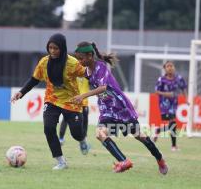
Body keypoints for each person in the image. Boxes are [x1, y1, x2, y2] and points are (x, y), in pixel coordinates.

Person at [72, 42, 168, 174]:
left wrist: (82, 96)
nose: (79, 61)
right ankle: (124, 161)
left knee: (139, 135)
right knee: (100, 134)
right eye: (78, 59)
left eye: (81, 58)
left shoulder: (101, 67)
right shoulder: (87, 70)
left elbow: (103, 88)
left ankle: (160, 159)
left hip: (119, 106)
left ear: (90, 56)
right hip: (106, 109)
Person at [11, 33, 90, 170]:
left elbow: (89, 74)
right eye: (50, 47)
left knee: (77, 134)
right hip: (51, 100)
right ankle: (60, 161)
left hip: (72, 101)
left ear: (63, 48)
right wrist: (21, 92)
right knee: (48, 128)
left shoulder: (72, 63)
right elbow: (34, 79)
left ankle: (82, 139)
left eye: (56, 48)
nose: (52, 51)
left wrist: (102, 89)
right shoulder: (44, 62)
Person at [153, 61, 187, 151]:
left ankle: (172, 144)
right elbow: (156, 91)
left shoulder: (179, 78)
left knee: (173, 123)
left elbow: (183, 88)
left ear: (174, 67)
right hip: (164, 104)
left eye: (171, 66)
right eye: (168, 66)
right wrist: (166, 94)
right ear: (165, 68)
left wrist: (186, 99)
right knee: (172, 123)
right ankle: (172, 144)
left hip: (174, 104)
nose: (170, 68)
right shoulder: (161, 79)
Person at [59, 76, 89, 145]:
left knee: (85, 120)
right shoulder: (74, 71)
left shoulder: (87, 74)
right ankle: (61, 138)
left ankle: (84, 140)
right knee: (65, 119)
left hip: (84, 101)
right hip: (73, 101)